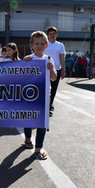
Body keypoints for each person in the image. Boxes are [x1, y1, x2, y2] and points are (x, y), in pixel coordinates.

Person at [23, 30, 57, 160]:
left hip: (44, 95)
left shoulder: (48, 59)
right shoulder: (28, 59)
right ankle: (27, 139)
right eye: (36, 43)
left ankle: (38, 148)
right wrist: (24, 63)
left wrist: (51, 69)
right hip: (29, 95)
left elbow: (53, 78)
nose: (39, 46)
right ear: (31, 45)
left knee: (43, 122)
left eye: (42, 43)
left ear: (46, 45)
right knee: (28, 119)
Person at [44, 26, 65, 116]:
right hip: (45, 70)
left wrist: (63, 70)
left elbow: (62, 58)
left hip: (56, 70)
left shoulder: (60, 45)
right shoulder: (45, 44)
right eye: (50, 34)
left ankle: (50, 104)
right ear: (47, 35)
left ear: (56, 35)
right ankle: (46, 106)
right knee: (46, 89)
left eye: (53, 34)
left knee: (53, 89)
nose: (52, 35)